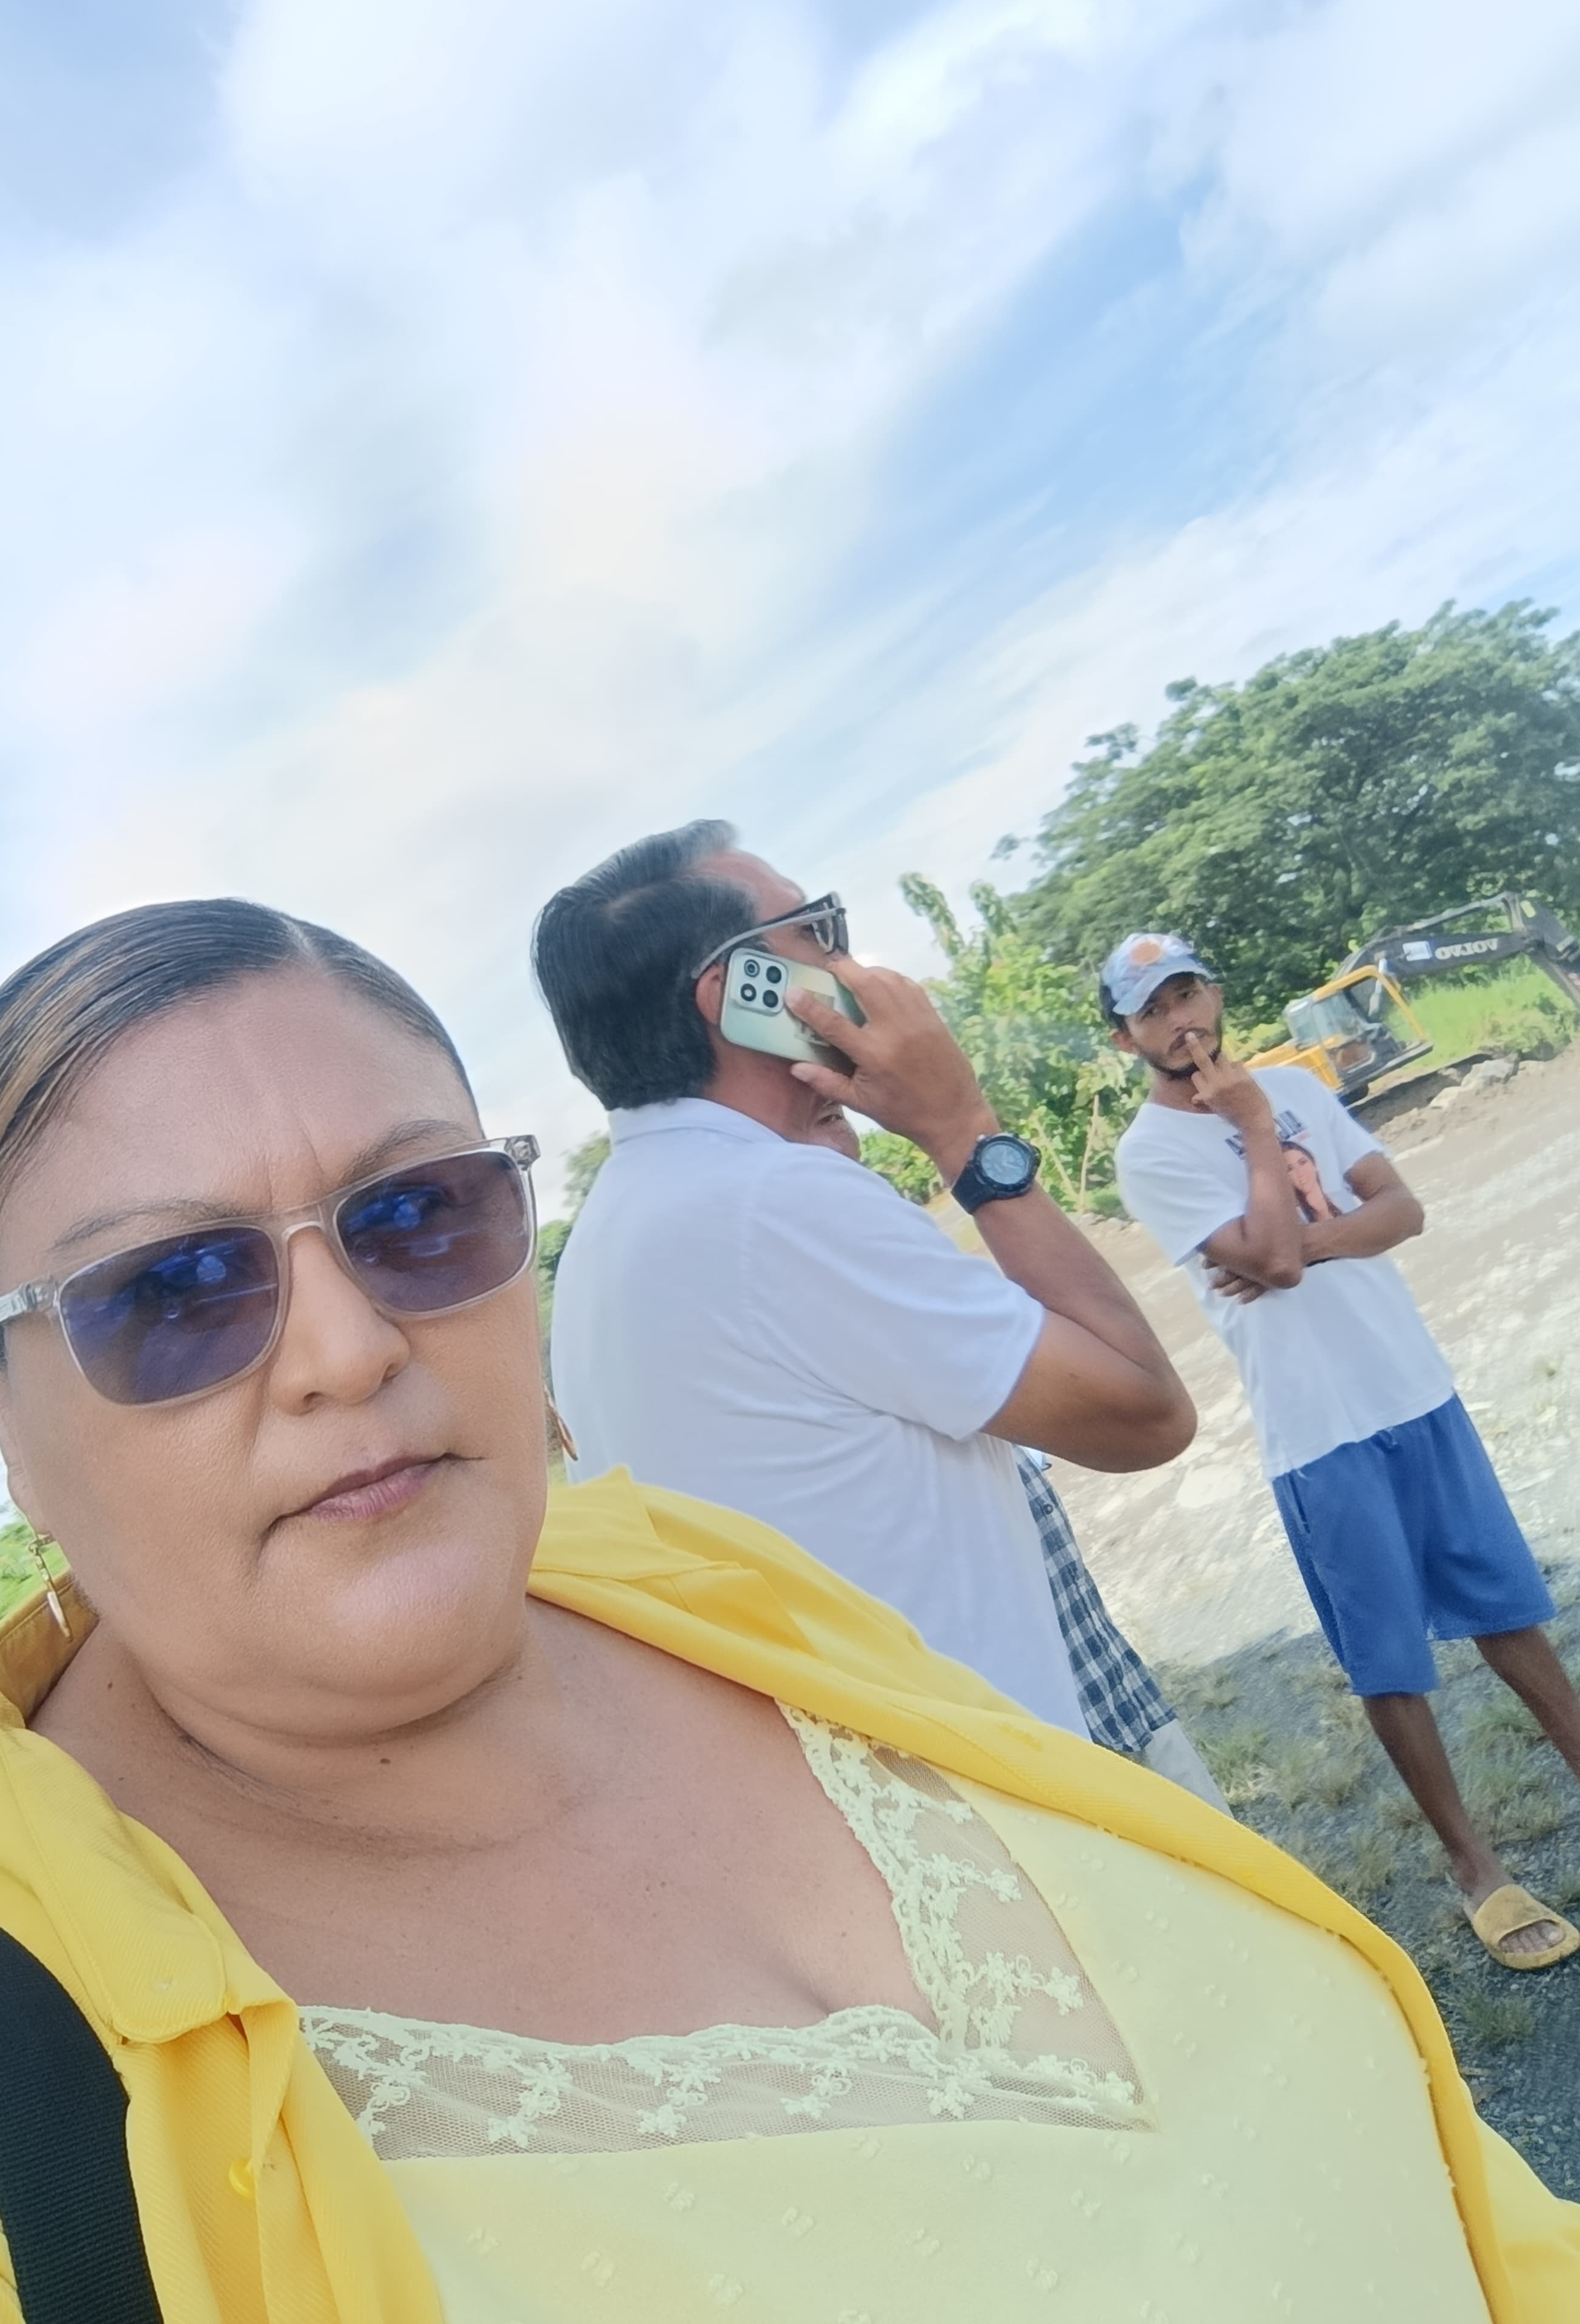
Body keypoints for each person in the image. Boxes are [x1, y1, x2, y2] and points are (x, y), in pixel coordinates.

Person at [0, 895, 1578, 2324]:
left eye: (416, 1215)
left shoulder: (687, 1579)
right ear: (4, 1411)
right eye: (171, 1290)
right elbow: (1134, 1405)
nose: (345, 1349)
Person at [533, 821, 1195, 1736]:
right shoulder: (773, 1200)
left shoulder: (616, 1228)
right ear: (744, 995)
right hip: (1004, 1777)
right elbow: (1144, 1413)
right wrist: (961, 1127)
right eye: (818, 932)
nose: (851, 965)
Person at [1107, 928, 1580, 1973]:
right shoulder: (1147, 1154)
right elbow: (1268, 1261)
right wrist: (1249, 1134)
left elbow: (1399, 1211)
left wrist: (1305, 1240)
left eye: (1188, 994)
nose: (1181, 1021)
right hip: (1316, 1429)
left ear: (1213, 994)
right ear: (1123, 1036)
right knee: (1386, 1661)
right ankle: (1474, 1868)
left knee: (1507, 1612)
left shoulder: (1295, 1089)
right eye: (1153, 1009)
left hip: (1411, 1388)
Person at [802, 1101, 1227, 1806]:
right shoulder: (829, 1259)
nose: (823, 1087)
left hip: (1101, 1697)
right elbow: (1145, 1411)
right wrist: (958, 1123)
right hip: (1045, 1765)